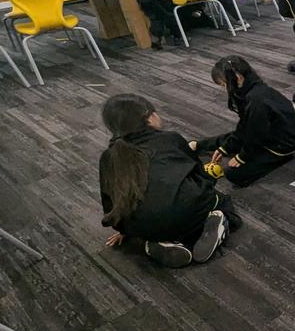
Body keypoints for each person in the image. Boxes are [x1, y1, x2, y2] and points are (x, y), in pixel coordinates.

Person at [99, 93, 233, 268]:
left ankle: (160, 242)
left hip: (140, 228)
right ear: (149, 117)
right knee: (221, 201)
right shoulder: (170, 139)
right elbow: (198, 173)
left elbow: (109, 200)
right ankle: (212, 226)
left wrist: (124, 230)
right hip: (184, 212)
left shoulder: (109, 156)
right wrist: (210, 184)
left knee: (161, 219)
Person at [194, 56, 295, 188]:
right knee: (233, 137)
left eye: (225, 84)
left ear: (237, 77)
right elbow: (245, 126)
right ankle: (199, 145)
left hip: (279, 145)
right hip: (266, 134)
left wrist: (242, 156)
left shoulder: (256, 99)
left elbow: (256, 134)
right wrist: (225, 148)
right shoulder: (250, 90)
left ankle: (279, 159)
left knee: (234, 174)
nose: (225, 88)